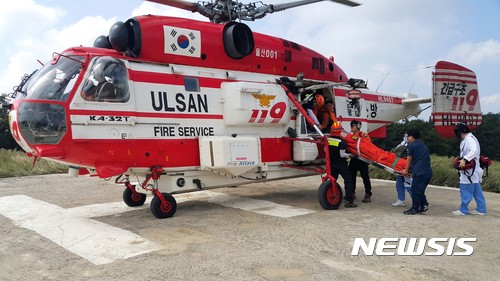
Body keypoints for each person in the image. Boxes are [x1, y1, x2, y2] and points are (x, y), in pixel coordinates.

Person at [452, 123, 487, 215]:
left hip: (470, 171)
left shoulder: (470, 139)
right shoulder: (469, 139)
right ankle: (481, 208)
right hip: (474, 170)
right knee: (476, 190)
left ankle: (463, 209)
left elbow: (474, 151)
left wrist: (465, 159)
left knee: (465, 188)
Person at [401, 128, 432, 215]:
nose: (407, 138)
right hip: (427, 172)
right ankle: (423, 205)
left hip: (420, 172)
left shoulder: (411, 145)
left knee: (415, 190)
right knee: (420, 190)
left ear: (412, 137)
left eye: (408, 136)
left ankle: (414, 208)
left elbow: (409, 159)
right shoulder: (422, 145)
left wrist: (406, 171)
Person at [328, 132, 357, 208]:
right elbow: (342, 154)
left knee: (332, 181)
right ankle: (349, 201)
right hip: (341, 164)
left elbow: (325, 150)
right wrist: (350, 155)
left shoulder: (328, 140)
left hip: (332, 164)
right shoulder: (342, 142)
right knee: (348, 181)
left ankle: (331, 195)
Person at [348, 120, 372, 203]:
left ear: (358, 126)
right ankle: (352, 192)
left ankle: (368, 193)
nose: (351, 127)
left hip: (362, 159)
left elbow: (367, 147)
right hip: (354, 159)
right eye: (351, 125)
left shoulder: (363, 135)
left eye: (353, 125)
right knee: (351, 177)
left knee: (365, 177)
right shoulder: (350, 136)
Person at [391, 133, 412, 207]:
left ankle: (416, 202)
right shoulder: (403, 143)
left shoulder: (412, 145)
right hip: (400, 165)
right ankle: (401, 200)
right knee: (399, 184)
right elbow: (394, 151)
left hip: (407, 167)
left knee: (409, 185)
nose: (406, 137)